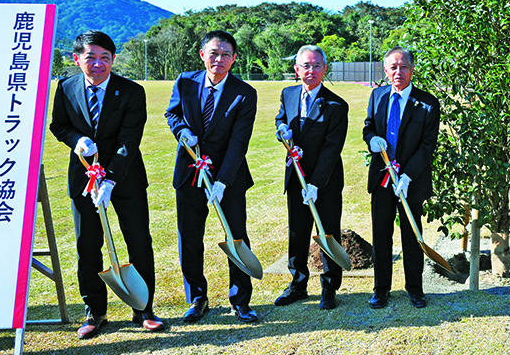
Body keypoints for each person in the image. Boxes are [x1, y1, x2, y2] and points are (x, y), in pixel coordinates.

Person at [49, 30, 161, 339]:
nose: (98, 64)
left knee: (138, 240)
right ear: (77, 59)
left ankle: (144, 308)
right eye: (91, 58)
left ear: (113, 59)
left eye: (105, 58)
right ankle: (94, 312)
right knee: (88, 245)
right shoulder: (66, 87)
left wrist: (110, 179)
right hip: (83, 179)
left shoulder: (131, 91)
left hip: (125, 179)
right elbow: (58, 125)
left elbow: (129, 141)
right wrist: (76, 140)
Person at [165, 30, 259, 323]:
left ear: (233, 59)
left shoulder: (245, 94)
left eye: (226, 54)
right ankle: (196, 298)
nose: (219, 59)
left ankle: (240, 300)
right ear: (203, 54)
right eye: (214, 53)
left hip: (227, 176)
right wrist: (182, 132)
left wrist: (222, 181)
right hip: (190, 172)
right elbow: (173, 114)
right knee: (190, 237)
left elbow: (239, 142)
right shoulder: (185, 81)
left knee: (236, 235)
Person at [363, 47, 440, 309]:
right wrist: (371, 139)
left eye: (403, 66)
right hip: (382, 179)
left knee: (411, 234)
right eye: (393, 67)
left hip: (411, 181)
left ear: (412, 69)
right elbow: (369, 126)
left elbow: (428, 145)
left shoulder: (427, 103)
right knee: (381, 235)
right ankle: (381, 288)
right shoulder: (377, 96)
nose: (398, 72)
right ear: (385, 70)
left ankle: (415, 289)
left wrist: (407, 176)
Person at [274, 46, 348, 310]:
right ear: (297, 69)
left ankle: (329, 287)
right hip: (295, 177)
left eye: (317, 65)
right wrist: (280, 128)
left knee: (327, 231)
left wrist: (316, 183)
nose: (311, 70)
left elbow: (331, 148)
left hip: (324, 181)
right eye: (305, 65)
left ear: (324, 69)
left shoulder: (337, 105)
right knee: (297, 231)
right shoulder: (288, 93)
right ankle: (298, 283)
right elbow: (281, 119)